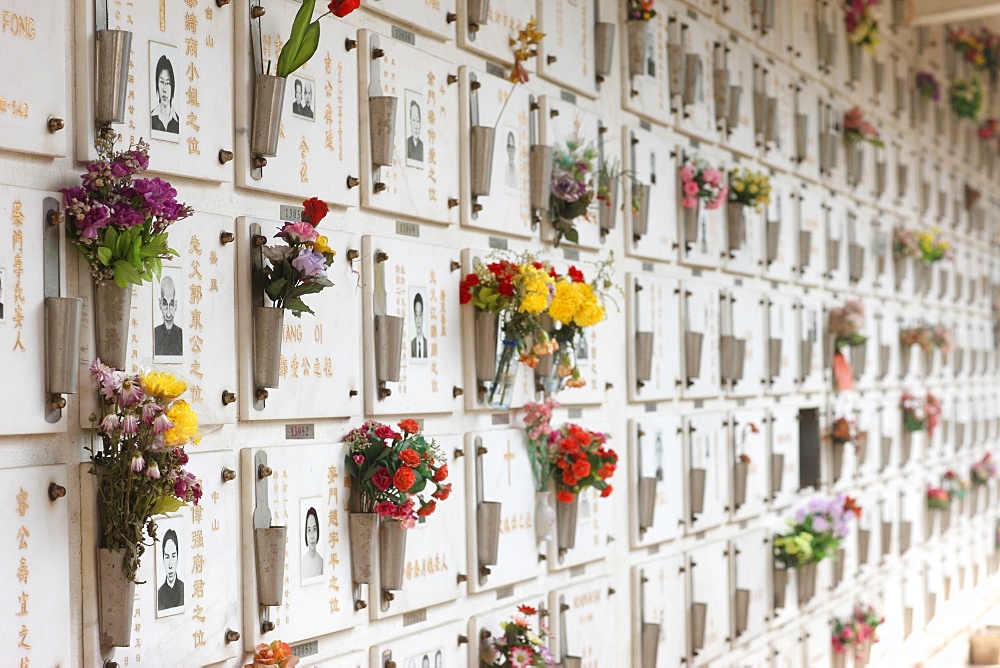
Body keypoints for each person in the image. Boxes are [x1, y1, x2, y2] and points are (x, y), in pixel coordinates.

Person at [153, 276, 183, 356]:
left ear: (176, 305)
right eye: (165, 304)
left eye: (172, 304)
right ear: (160, 304)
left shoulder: (181, 334)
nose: (169, 313)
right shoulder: (155, 333)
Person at [150, 55, 179, 134]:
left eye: (168, 83)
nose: (164, 89)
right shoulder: (150, 118)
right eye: (162, 82)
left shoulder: (178, 122)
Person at [157, 529, 184, 611]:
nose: (170, 565)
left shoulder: (183, 588)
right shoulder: (159, 594)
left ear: (177, 557)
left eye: (173, 556)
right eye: (167, 557)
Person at [301, 506, 323, 579]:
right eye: (309, 530)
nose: (312, 536)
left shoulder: (322, 562)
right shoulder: (302, 564)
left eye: (314, 529)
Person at [410, 292, 428, 359]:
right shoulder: (411, 345)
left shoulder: (427, 344)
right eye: (416, 315)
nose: (418, 320)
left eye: (420, 315)